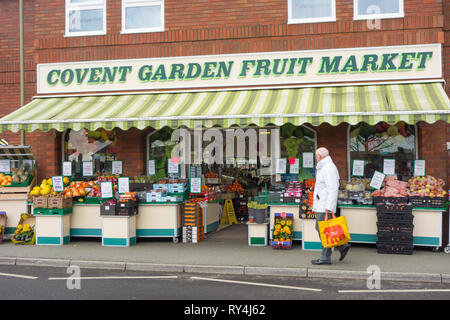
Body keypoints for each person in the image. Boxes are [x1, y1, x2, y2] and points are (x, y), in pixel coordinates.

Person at [311, 147, 350, 265]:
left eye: (316, 156)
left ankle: (326, 257)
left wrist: (329, 206)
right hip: (322, 203)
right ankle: (342, 246)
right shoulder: (325, 166)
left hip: (325, 205)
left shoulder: (328, 168)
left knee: (323, 230)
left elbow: (333, 188)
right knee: (322, 229)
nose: (315, 158)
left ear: (320, 156)